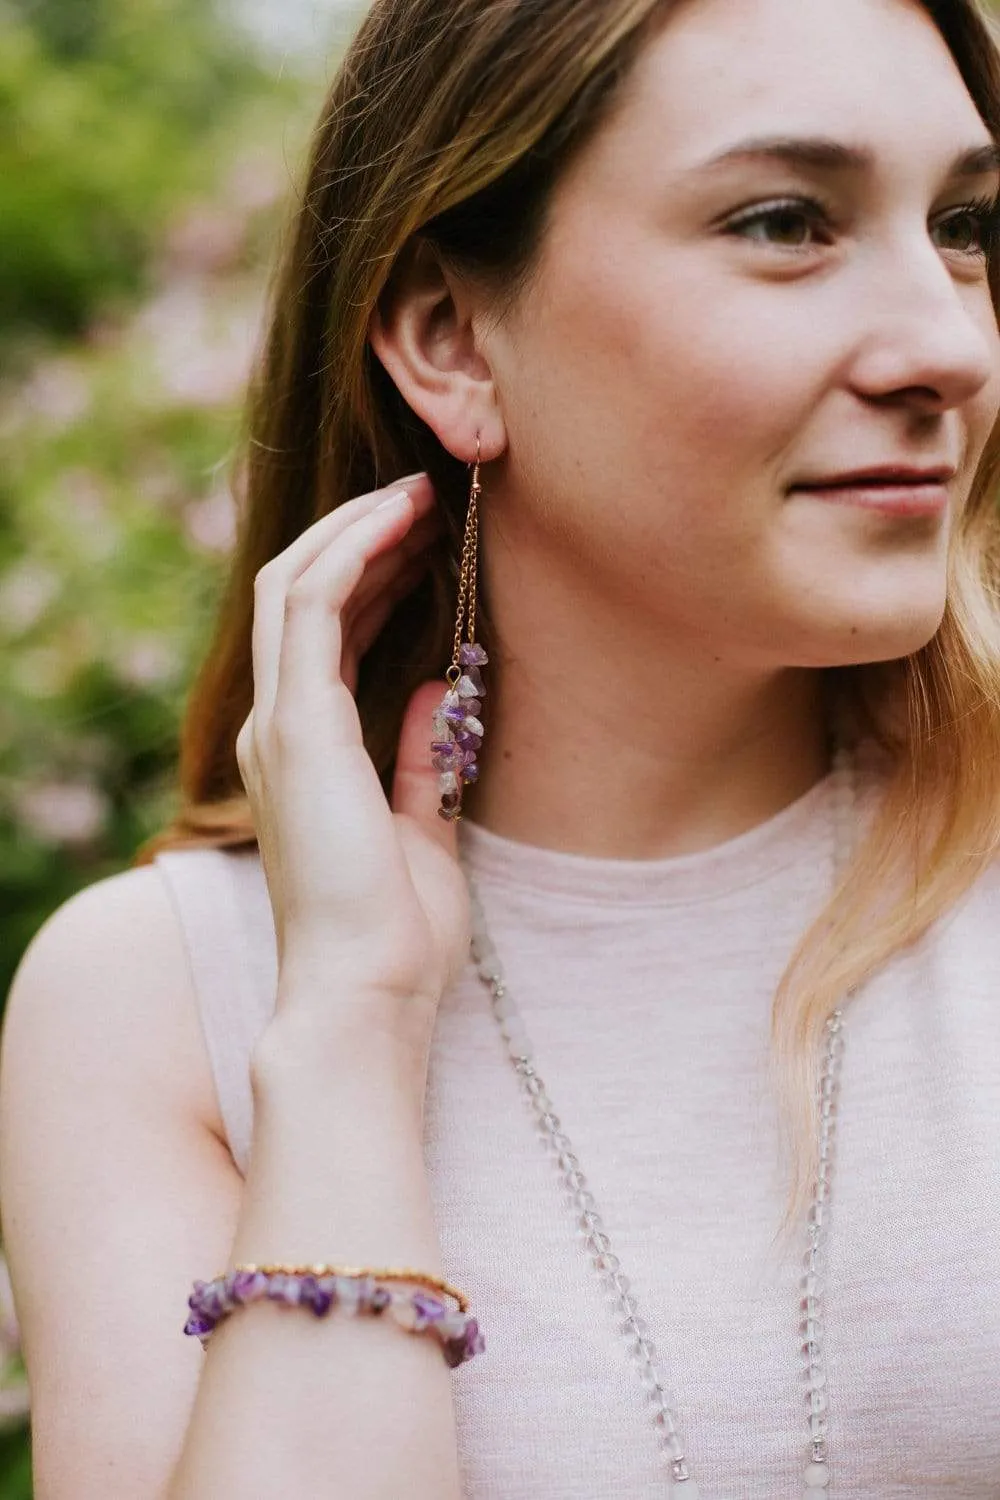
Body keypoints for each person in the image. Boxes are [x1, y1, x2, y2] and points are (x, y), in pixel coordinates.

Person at [4, 0, 1000, 1493]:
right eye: (788, 220)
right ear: (451, 339)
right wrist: (349, 1024)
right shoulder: (161, 1004)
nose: (948, 342)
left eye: (968, 225)